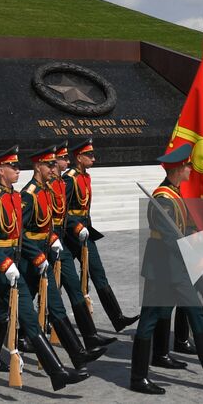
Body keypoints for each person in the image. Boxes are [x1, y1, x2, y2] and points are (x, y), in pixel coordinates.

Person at [0, 146, 86, 394]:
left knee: (30, 319)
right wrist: (4, 264)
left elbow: (19, 235)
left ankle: (57, 372)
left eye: (17, 165)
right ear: (0, 171)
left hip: (12, 271)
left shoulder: (13, 197)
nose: (17, 169)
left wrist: (37, 255)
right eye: (12, 166)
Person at [130, 142, 203, 395]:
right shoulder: (162, 199)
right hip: (161, 270)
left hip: (177, 270)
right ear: (178, 169)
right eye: (188, 166)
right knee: (149, 320)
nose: (191, 169)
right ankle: (138, 377)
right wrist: (198, 260)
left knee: (197, 314)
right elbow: (171, 239)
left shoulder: (175, 194)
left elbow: (183, 232)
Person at [21, 145, 104, 369]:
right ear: (38, 167)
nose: (53, 168)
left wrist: (53, 239)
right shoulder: (29, 194)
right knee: (15, 305)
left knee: (56, 302)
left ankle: (79, 353)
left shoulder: (47, 190)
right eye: (49, 164)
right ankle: (0, 343)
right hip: (32, 256)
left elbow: (50, 223)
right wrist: (36, 254)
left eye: (53, 164)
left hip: (48, 248)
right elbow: (20, 232)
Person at [63, 137, 137, 332]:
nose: (93, 158)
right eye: (89, 155)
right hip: (72, 234)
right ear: (79, 157)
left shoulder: (84, 176)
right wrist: (76, 227)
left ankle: (117, 318)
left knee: (97, 273)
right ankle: (44, 317)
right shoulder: (69, 179)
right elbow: (61, 211)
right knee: (61, 278)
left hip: (84, 232)